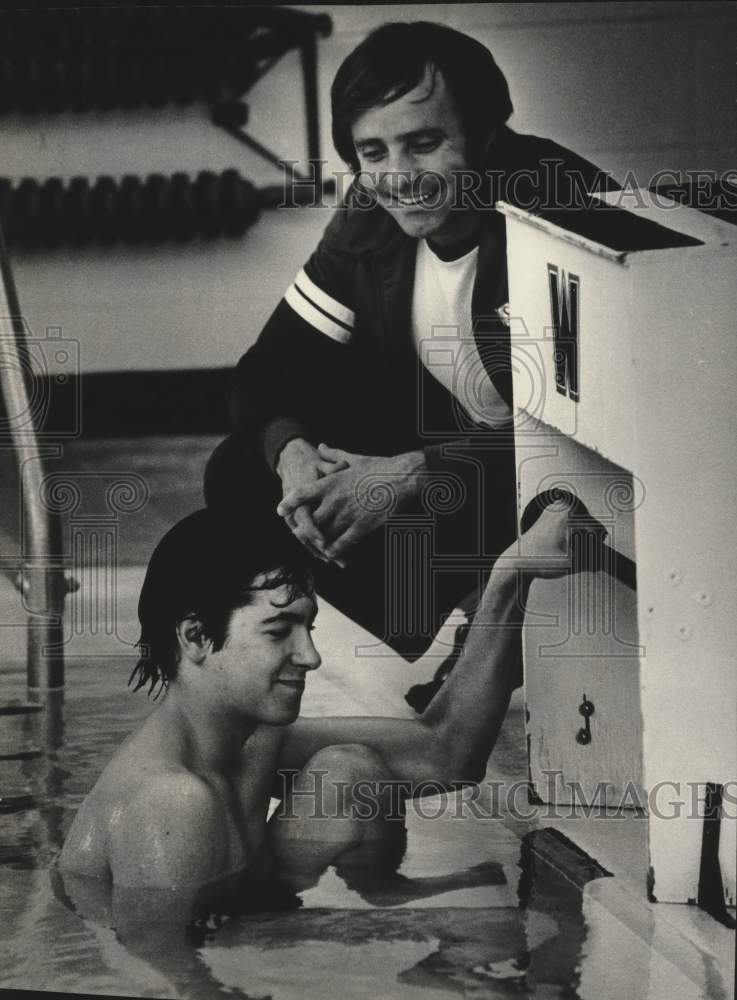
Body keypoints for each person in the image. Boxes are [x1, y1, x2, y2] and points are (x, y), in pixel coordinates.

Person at [205, 22, 618, 701]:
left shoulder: (562, 209)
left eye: (423, 143)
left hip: (568, 480)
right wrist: (292, 452)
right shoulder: (368, 213)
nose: (397, 178)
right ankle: (482, 616)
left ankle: (495, 623)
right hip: (469, 467)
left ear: (484, 135)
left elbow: (602, 435)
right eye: (373, 151)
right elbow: (268, 369)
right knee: (244, 470)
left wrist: (409, 474)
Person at [58, 494, 599, 914]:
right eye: (279, 631)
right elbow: (158, 977)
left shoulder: (252, 737)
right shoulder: (172, 802)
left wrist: (510, 575)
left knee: (349, 772)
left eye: (308, 626)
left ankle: (382, 891)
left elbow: (446, 754)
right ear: (196, 637)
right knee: (484, 936)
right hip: (168, 947)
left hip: (237, 911)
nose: (311, 656)